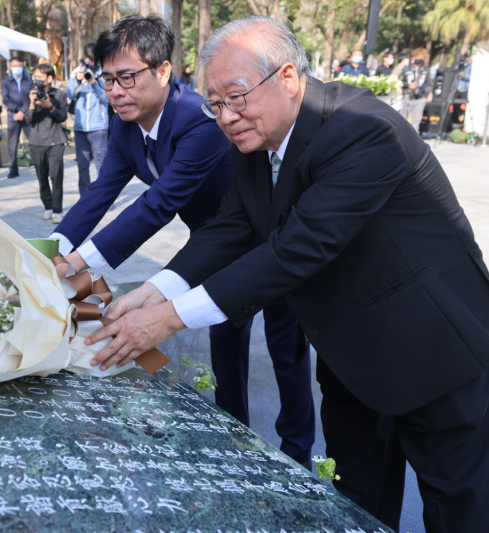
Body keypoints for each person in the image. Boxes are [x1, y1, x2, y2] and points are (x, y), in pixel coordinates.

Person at [86, 16, 489, 533]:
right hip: (351, 357)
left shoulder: (362, 128)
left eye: (236, 96)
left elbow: (296, 250)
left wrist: (168, 319)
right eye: (214, 104)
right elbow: (230, 227)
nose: (226, 117)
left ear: (286, 77)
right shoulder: (256, 140)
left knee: (457, 508)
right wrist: (152, 291)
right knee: (358, 501)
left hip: (434, 349)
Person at [52, 14, 314, 466]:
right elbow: (100, 192)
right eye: (107, 79)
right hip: (211, 248)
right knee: (226, 342)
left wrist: (79, 262)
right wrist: (55, 249)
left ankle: (299, 453)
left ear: (163, 71)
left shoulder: (199, 118)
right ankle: (235, 444)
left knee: (285, 347)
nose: (116, 91)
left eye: (128, 77)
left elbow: (158, 203)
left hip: (269, 240)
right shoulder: (123, 125)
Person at [25, 63, 68, 223]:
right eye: (35, 77)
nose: (37, 80)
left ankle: (57, 210)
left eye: (40, 77)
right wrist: (31, 103)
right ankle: (48, 207)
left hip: (55, 141)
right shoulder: (31, 94)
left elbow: (62, 117)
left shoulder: (59, 95)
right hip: (36, 142)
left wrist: (50, 106)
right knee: (42, 177)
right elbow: (28, 119)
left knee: (56, 176)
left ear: (50, 78)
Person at [67, 43, 109, 196]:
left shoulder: (105, 73)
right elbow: (69, 94)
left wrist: (95, 84)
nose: (92, 62)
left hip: (98, 127)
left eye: (94, 59)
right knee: (82, 166)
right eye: (89, 59)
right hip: (80, 128)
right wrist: (78, 81)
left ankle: (103, 198)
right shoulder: (76, 72)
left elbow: (107, 98)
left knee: (101, 165)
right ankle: (84, 198)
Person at [1, 57, 33, 179]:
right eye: (14, 66)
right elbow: (5, 99)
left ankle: (39, 164)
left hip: (27, 114)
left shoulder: (28, 81)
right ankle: (13, 168)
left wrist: (23, 110)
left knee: (34, 140)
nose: (16, 68)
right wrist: (17, 110)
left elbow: (31, 96)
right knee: (12, 143)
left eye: (18, 65)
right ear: (10, 67)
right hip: (13, 115)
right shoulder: (6, 82)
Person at [400, 48, 432, 132]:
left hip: (420, 98)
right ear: (413, 57)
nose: (420, 59)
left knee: (417, 120)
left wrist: (425, 94)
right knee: (402, 118)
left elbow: (429, 83)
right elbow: (400, 81)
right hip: (407, 96)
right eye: (418, 57)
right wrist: (408, 85)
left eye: (422, 57)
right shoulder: (406, 69)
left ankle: (414, 138)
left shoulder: (426, 70)